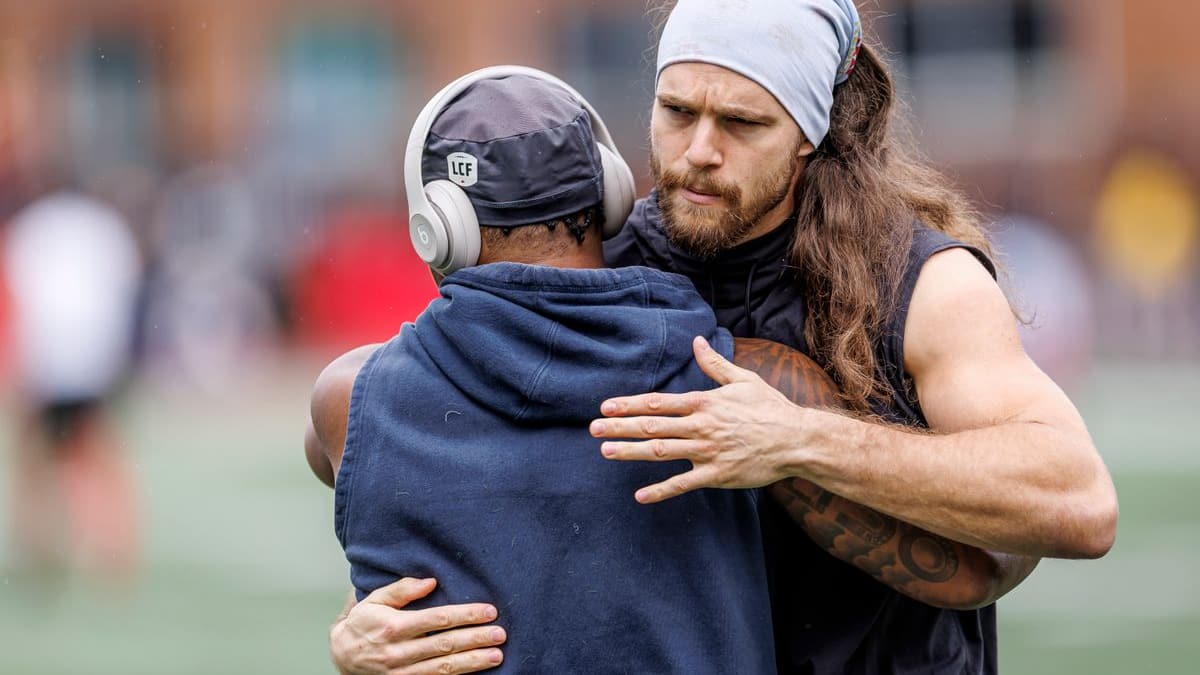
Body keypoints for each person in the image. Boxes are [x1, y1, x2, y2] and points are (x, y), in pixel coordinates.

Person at [328, 2, 1119, 673]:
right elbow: (470, 466)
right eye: (677, 112)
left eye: (742, 122)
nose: (699, 152)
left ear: (811, 133)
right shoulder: (613, 261)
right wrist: (367, 621)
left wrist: (799, 439)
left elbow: (1080, 503)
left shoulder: (919, 284)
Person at [308, 69, 783, 674]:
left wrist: (350, 630)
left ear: (438, 228)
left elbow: (361, 480)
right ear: (611, 194)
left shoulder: (349, 395)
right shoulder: (744, 382)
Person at [4, 187, 142, 580]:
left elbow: (18, 293)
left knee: (36, 454)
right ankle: (113, 547)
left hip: (48, 354)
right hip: (94, 354)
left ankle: (39, 542)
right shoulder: (104, 225)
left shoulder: (30, 227)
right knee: (97, 453)